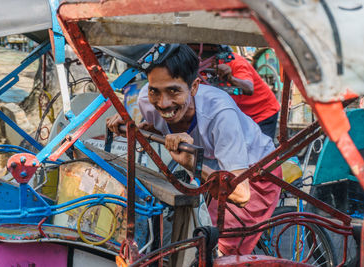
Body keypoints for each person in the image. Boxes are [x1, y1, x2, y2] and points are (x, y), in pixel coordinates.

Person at [106, 44, 281, 255]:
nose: (163, 103)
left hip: (254, 174)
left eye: (174, 91)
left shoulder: (220, 114)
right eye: (155, 91)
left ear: (195, 86)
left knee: (216, 247)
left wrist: (192, 163)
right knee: (188, 233)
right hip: (215, 171)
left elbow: (242, 194)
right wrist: (133, 127)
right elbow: (156, 126)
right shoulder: (146, 101)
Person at [192, 44, 280, 140]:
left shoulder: (235, 62)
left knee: (260, 151)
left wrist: (230, 78)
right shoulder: (200, 69)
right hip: (241, 115)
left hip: (262, 113)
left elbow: (249, 88)